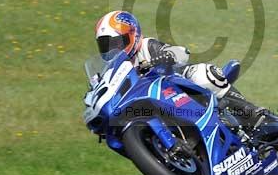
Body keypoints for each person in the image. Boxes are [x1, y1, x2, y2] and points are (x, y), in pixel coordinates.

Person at [93, 10, 264, 124]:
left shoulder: (147, 46)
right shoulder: (113, 71)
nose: (113, 49)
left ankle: (253, 113)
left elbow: (182, 53)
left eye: (117, 42)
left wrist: (164, 57)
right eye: (106, 46)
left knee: (203, 74)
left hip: (181, 90)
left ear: (133, 34)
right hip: (156, 107)